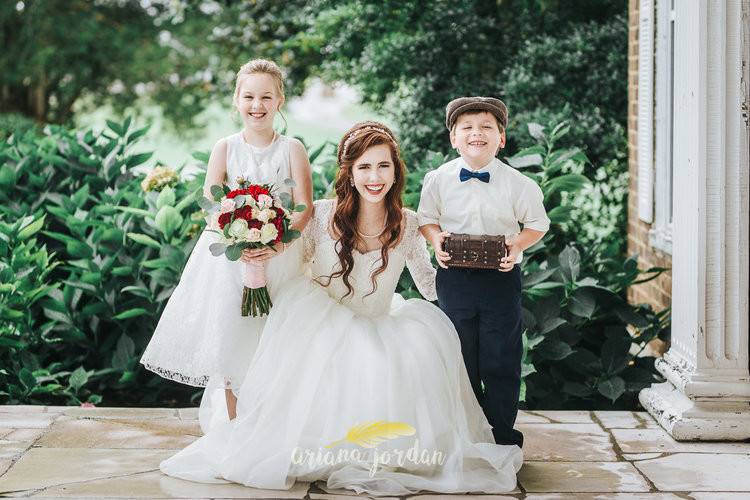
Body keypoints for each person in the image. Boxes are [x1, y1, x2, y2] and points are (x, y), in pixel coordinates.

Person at [158, 121, 523, 496]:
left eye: (383, 166)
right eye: (364, 167)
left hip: (381, 321)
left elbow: (430, 285)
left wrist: (477, 288)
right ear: (348, 173)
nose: (374, 177)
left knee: (399, 362)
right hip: (320, 323)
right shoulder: (319, 216)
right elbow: (287, 265)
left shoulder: (409, 223)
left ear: (396, 171)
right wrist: (252, 260)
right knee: (336, 369)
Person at [140, 58, 313, 424]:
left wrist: (277, 242)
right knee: (234, 339)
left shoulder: (291, 149)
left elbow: (304, 207)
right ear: (237, 100)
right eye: (249, 97)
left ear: (279, 100)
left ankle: (273, 422)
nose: (257, 105)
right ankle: (236, 427)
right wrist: (237, 236)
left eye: (266, 97)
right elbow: (211, 203)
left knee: (273, 337)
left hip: (281, 257)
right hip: (231, 261)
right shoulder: (226, 148)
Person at [418, 96, 550, 448]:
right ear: (453, 139)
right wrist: (436, 239)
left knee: (501, 356)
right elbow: (426, 219)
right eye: (468, 128)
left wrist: (518, 244)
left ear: (501, 138)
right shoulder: (438, 179)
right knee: (460, 355)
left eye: (487, 127)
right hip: (455, 278)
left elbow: (538, 223)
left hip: (500, 279)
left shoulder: (517, 183)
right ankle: (466, 431)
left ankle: (502, 434)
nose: (477, 133)